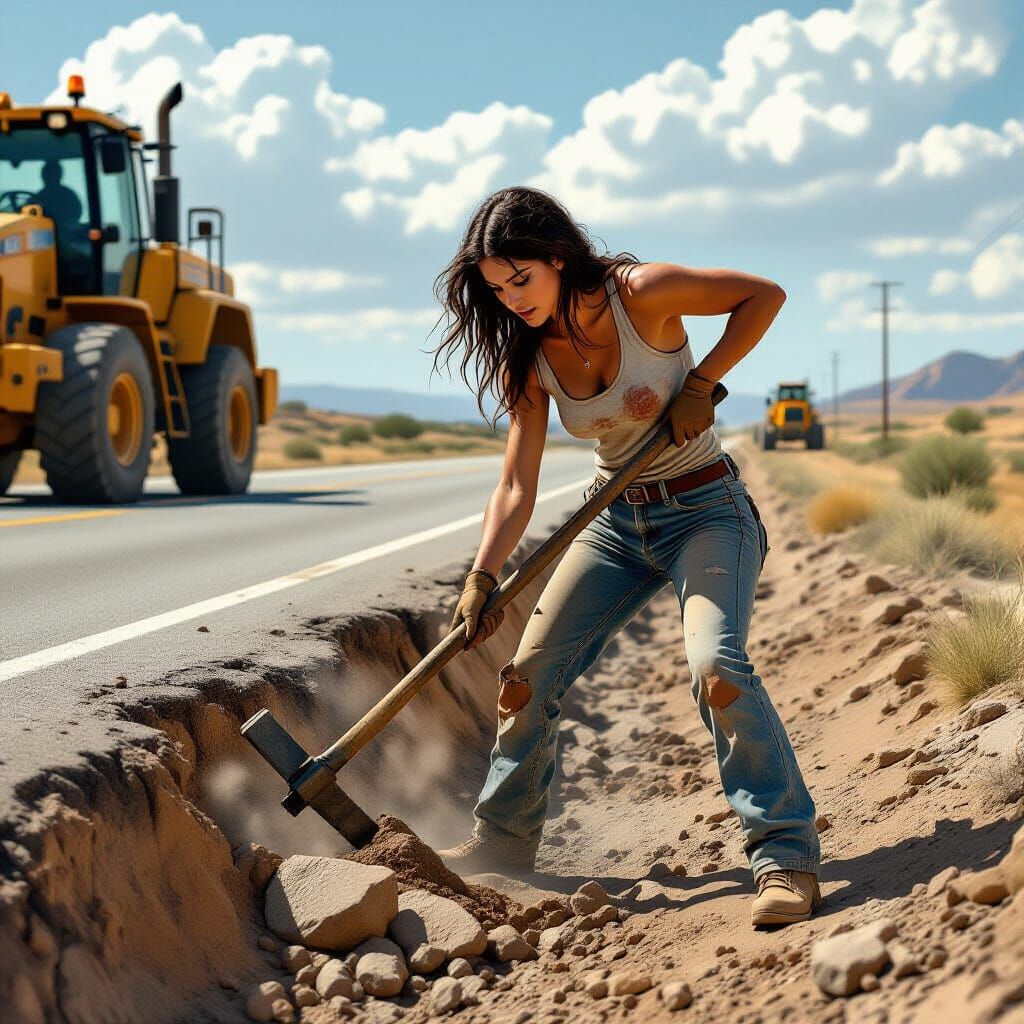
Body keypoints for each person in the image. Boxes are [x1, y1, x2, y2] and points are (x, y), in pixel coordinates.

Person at [431, 186, 820, 928]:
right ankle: (504, 841)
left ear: (557, 258)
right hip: (614, 523)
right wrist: (483, 576)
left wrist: (701, 382)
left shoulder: (642, 294)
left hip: (706, 511)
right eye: (497, 289)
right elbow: (516, 483)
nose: (511, 300)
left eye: (521, 279)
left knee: (716, 669)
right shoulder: (527, 358)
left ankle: (786, 857)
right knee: (526, 677)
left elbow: (763, 296)